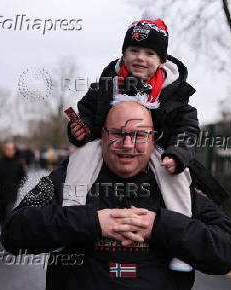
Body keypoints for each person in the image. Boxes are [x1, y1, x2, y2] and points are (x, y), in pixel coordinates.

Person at [1, 102, 231, 290]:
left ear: (153, 139)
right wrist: (92, 222)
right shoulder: (71, 177)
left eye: (139, 135)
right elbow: (14, 232)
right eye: (117, 133)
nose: (127, 144)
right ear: (102, 137)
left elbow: (226, 251)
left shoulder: (175, 184)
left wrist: (159, 226)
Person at [65, 13, 199, 271]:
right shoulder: (106, 84)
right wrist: (79, 130)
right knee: (80, 158)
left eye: (149, 53)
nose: (140, 57)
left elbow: (187, 127)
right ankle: (69, 222)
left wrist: (178, 153)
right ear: (124, 54)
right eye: (134, 50)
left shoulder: (175, 92)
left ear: (162, 60)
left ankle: (181, 246)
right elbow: (87, 113)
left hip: (158, 148)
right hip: (110, 144)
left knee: (177, 176)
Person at [0, 142, 26, 231]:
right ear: (4, 150)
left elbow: (23, 177)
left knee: (8, 213)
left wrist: (18, 186)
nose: (8, 151)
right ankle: (2, 232)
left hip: (12, 194)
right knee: (2, 214)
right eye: (7, 149)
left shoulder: (18, 163)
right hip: (0, 194)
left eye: (10, 149)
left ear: (14, 151)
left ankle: (7, 233)